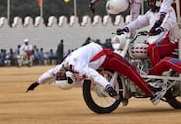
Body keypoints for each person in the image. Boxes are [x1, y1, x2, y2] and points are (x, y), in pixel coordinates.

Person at [25, 42, 161, 105]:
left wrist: (37, 82)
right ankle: (151, 93)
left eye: (58, 76)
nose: (59, 72)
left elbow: (49, 74)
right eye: (61, 76)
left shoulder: (69, 67)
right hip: (103, 59)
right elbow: (48, 75)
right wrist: (37, 83)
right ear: (69, 77)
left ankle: (149, 92)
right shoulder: (75, 69)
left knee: (129, 70)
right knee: (129, 70)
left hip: (104, 55)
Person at [116, 0, 176, 68]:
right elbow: (138, 22)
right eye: (148, 2)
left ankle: (157, 71)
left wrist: (160, 29)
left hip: (166, 42)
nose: (150, 4)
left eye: (152, 1)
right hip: (152, 41)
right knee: (137, 48)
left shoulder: (168, 10)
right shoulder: (150, 13)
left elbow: (169, 22)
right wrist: (126, 28)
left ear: (158, 0)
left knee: (153, 49)